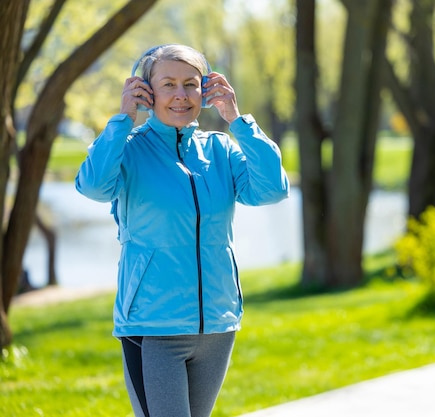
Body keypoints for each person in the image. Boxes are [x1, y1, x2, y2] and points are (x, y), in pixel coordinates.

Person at [75, 44, 290, 417]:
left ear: (206, 89)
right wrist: (123, 118)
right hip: (153, 327)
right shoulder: (128, 150)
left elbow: (273, 188)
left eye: (190, 84)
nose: (180, 95)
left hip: (217, 327)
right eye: (168, 84)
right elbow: (92, 185)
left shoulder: (221, 149)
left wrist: (237, 121)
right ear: (146, 90)